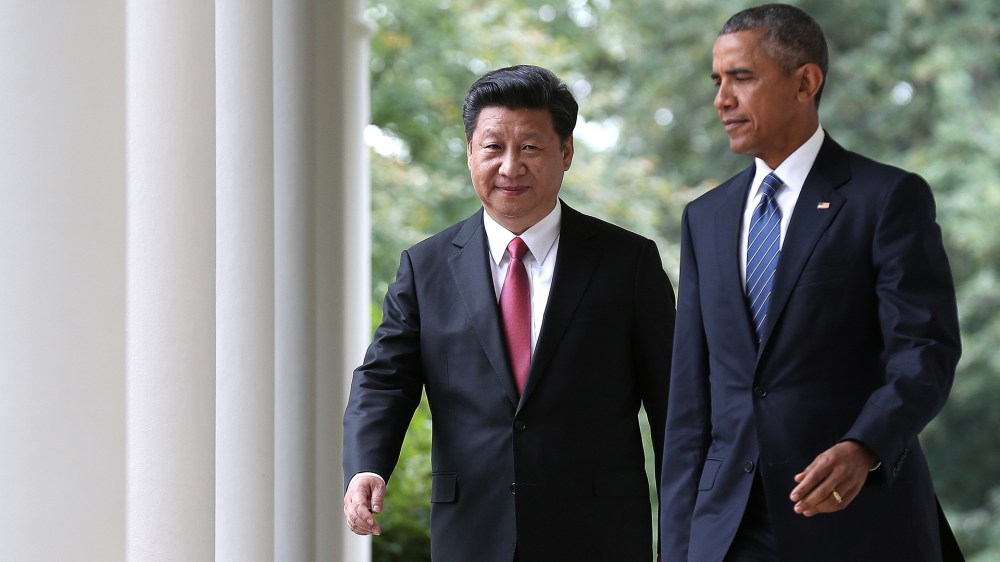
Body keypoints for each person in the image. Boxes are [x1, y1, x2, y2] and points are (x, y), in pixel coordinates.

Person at [659, 4, 963, 561]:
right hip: (728, 531)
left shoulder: (887, 199)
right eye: (718, 81)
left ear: (806, 81)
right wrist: (678, 549)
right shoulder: (705, 218)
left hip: (857, 523)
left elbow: (924, 352)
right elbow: (690, 405)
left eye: (742, 78)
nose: (721, 99)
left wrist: (864, 445)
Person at [343, 64, 675, 562]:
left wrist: (690, 520)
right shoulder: (426, 266)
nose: (510, 166)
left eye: (531, 147)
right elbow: (386, 379)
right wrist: (366, 465)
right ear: (470, 153)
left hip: (598, 533)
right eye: (493, 147)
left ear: (566, 153)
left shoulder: (627, 262)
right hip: (472, 532)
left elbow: (674, 400)